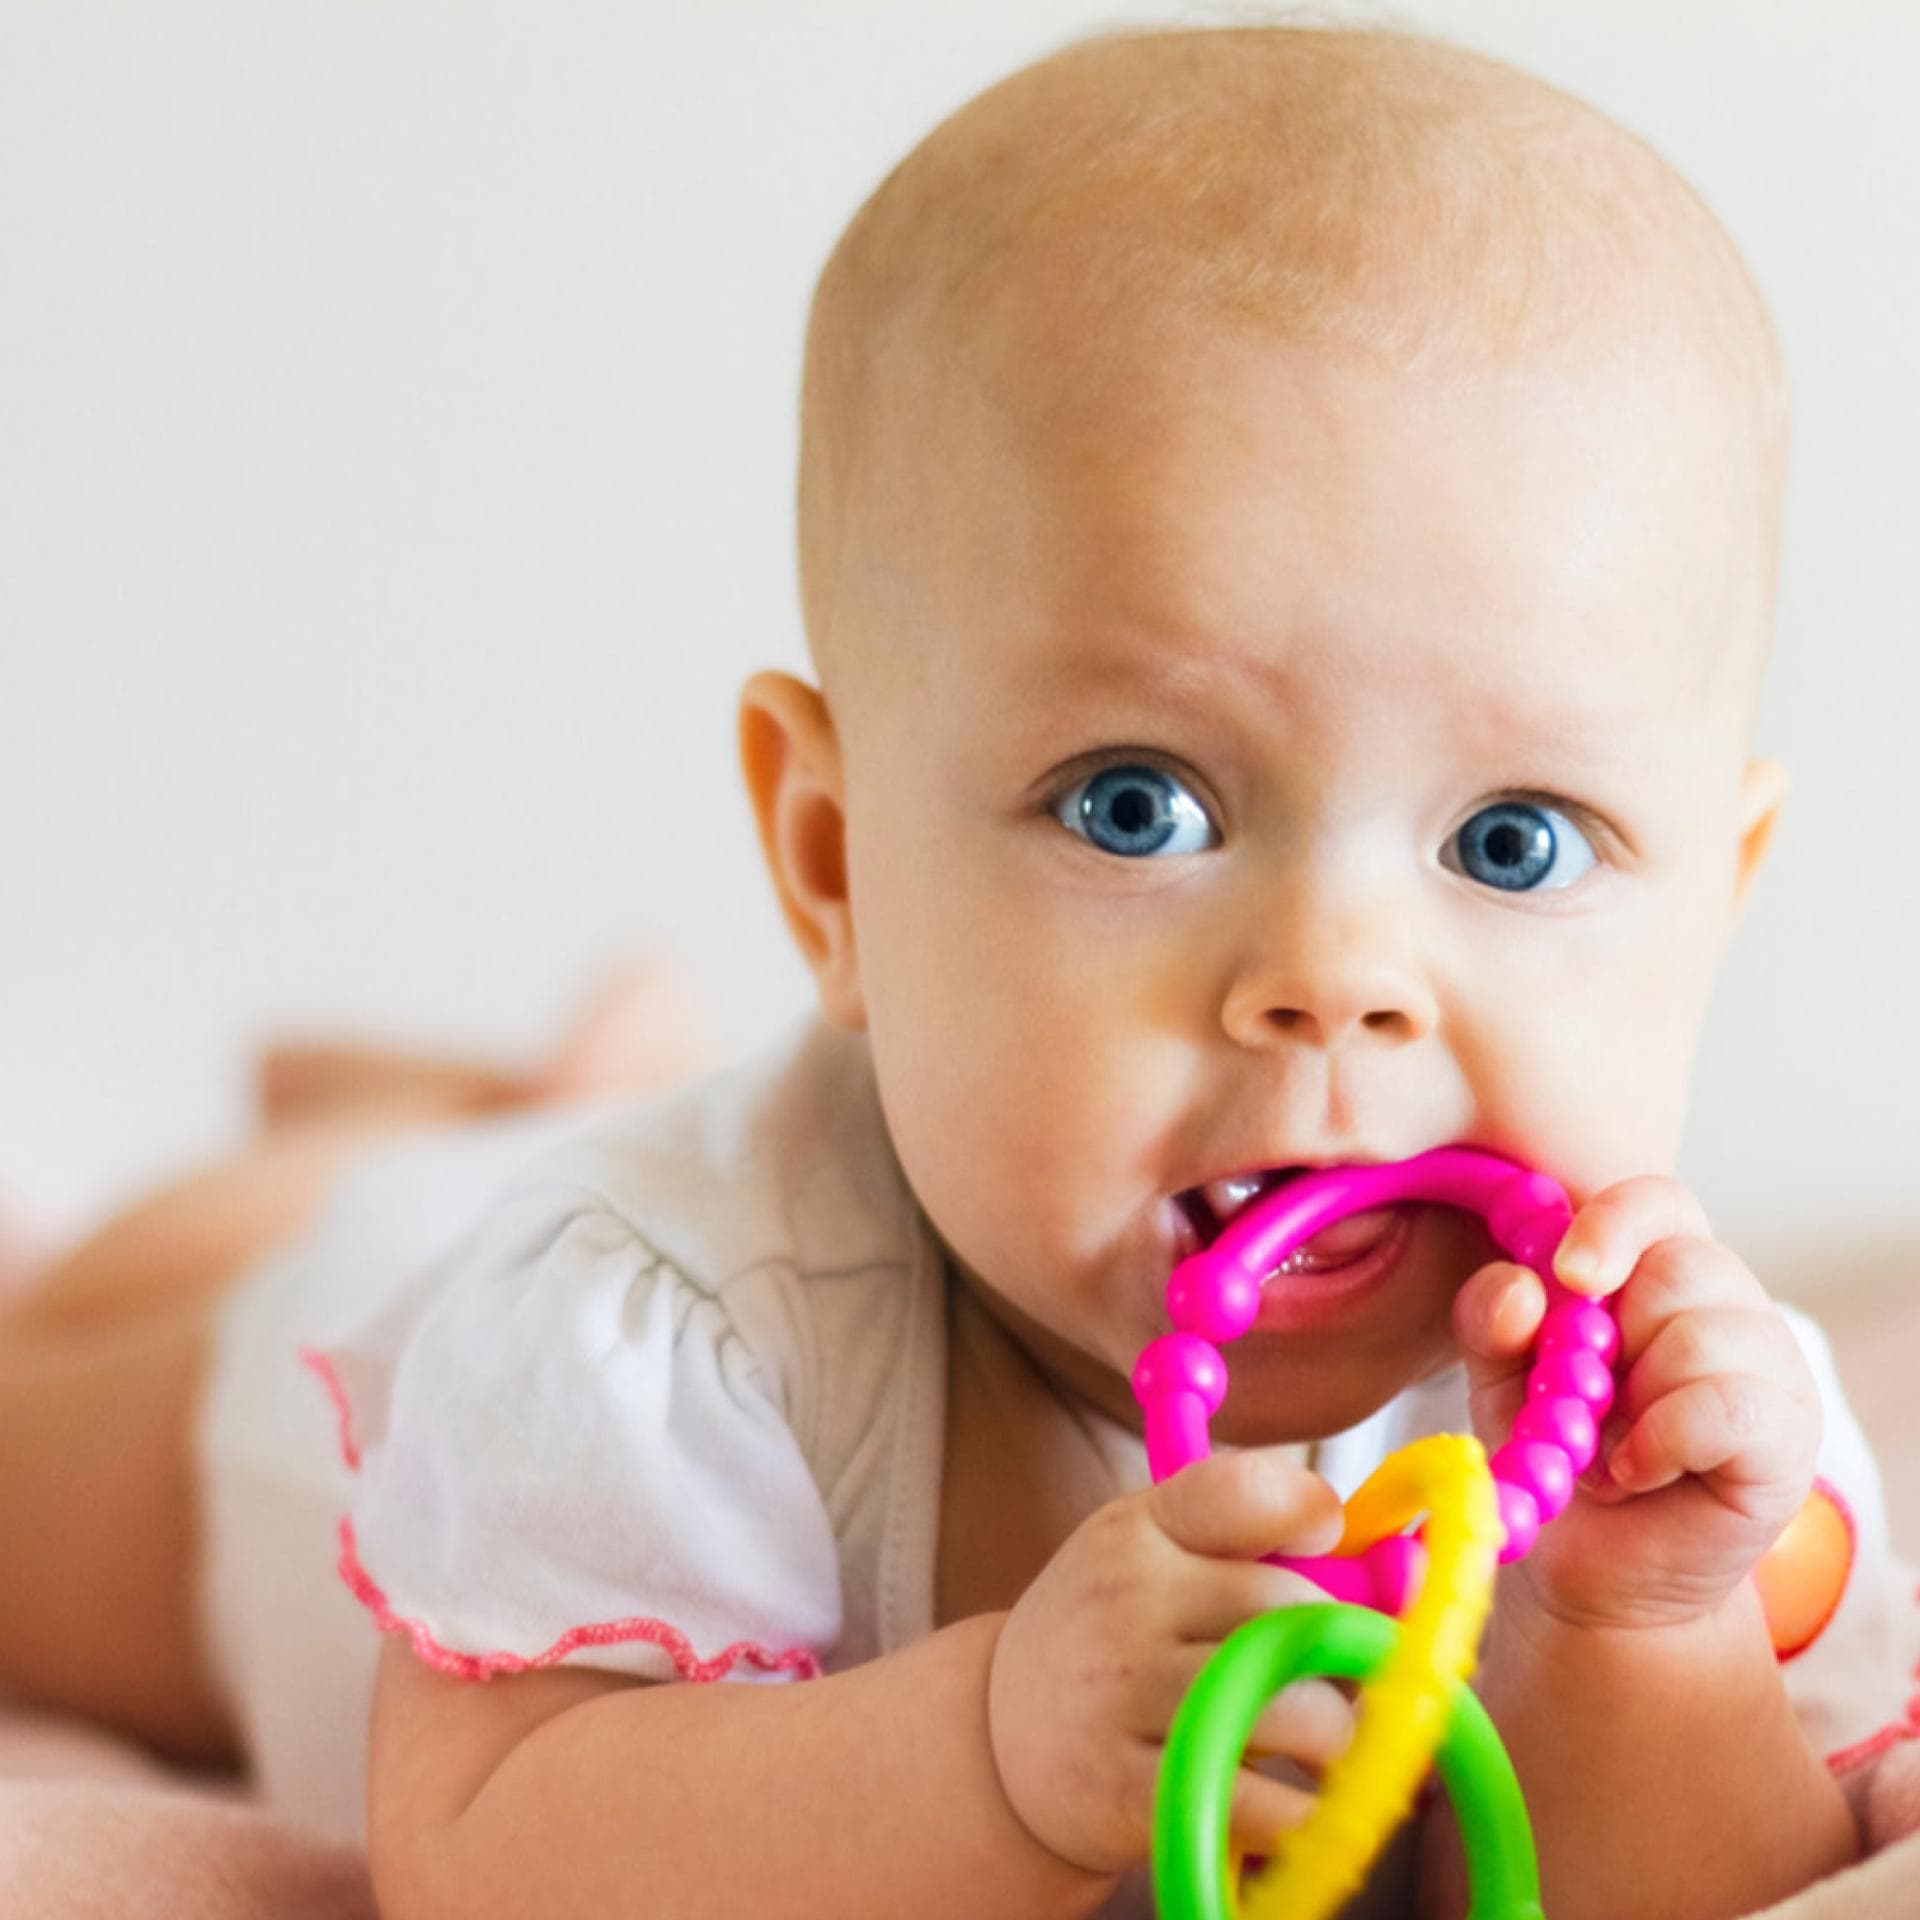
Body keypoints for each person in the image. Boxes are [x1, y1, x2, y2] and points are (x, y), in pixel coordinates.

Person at [1, 24, 1912, 1920]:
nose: (1337, 981)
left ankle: (538, 1083)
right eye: (1141, 807)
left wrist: (1642, 1632)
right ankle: (427, 1133)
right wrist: (987, 1757)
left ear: (1716, 901)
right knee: (57, 1468)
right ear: (833, 862)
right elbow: (484, 1854)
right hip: (323, 1383)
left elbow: (1724, 1901)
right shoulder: (666, 1335)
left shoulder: (1676, 1423)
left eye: (1516, 843)